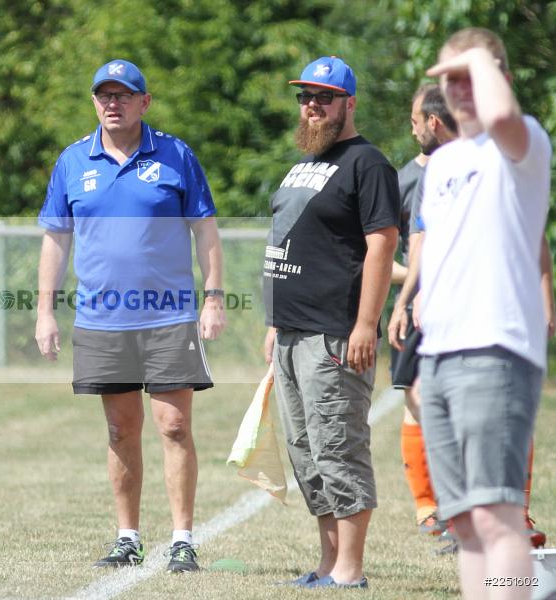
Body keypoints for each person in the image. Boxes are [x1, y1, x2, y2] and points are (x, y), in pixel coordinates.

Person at [35, 59, 225, 573]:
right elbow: (56, 238)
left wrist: (213, 297)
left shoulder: (175, 154)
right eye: (104, 95)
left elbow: (205, 229)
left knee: (175, 425)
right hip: (101, 320)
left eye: (124, 94)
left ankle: (183, 539)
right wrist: (44, 312)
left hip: (167, 317)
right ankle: (128, 538)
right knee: (121, 431)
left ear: (145, 102)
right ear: (95, 101)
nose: (112, 103)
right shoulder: (74, 161)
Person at [416, 28, 551, 600]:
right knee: (467, 523)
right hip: (441, 355)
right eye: (451, 79)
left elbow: (499, 118)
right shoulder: (443, 162)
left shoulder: (522, 143)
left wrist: (475, 57)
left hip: (495, 349)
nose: (460, 89)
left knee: (498, 515)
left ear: (500, 78)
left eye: (473, 75)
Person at [263, 56, 400, 589]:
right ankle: (326, 562)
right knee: (306, 450)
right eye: (304, 96)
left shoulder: (368, 163)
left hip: (334, 333)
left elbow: (382, 244)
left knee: (338, 445)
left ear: (349, 103)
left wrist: (366, 324)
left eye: (323, 96)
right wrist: (275, 320)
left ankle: (350, 569)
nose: (311, 105)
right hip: (292, 330)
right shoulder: (303, 163)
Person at [388, 83, 457, 540]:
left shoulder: (472, 169)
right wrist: (406, 290)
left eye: (416, 120)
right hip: (415, 304)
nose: (413, 130)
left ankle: (459, 505)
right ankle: (427, 505)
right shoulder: (403, 179)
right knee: (413, 398)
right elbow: (385, 250)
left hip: (459, 304)